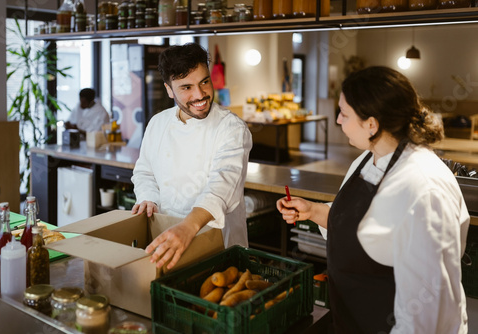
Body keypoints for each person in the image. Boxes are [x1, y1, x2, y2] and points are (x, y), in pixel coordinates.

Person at [277, 66, 469, 333]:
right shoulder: (368, 159)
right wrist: (313, 211)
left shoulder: (423, 190)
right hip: (352, 320)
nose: (337, 121)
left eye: (344, 113)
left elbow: (426, 313)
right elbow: (361, 224)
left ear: (371, 124)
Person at [131, 43, 252, 270]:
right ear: (169, 90)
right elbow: (145, 171)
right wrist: (147, 197)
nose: (200, 95)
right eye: (186, 87)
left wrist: (188, 226)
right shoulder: (158, 123)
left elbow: (222, 186)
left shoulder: (231, 128)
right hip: (167, 240)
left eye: (204, 82)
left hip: (219, 249)